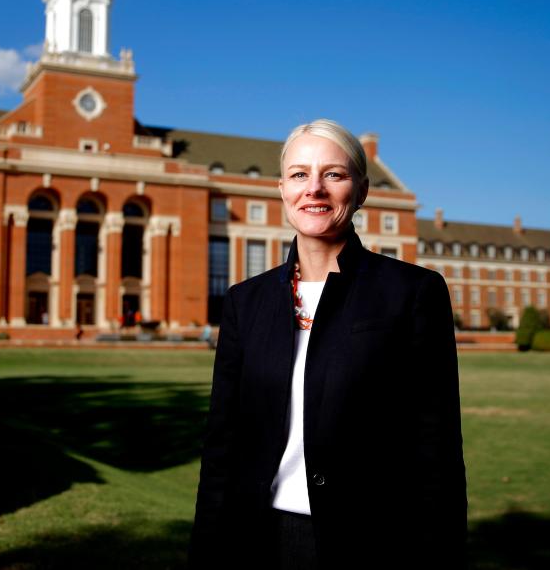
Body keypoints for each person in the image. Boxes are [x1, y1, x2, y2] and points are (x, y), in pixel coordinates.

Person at [190, 119, 466, 570]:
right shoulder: (246, 301)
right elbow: (222, 446)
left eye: (333, 174)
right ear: (282, 189)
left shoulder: (412, 293)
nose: (313, 188)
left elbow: (436, 452)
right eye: (299, 174)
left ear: (360, 190)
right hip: (255, 538)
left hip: (371, 542)